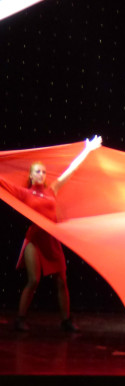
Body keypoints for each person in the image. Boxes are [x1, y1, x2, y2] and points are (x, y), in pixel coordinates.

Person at [0, 135, 102, 332]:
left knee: (61, 280)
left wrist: (87, 150)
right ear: (31, 176)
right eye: (37, 171)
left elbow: (71, 170)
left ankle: (66, 321)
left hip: (52, 239)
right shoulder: (24, 193)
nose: (41, 174)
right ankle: (20, 318)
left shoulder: (52, 190)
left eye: (44, 172)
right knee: (33, 280)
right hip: (34, 239)